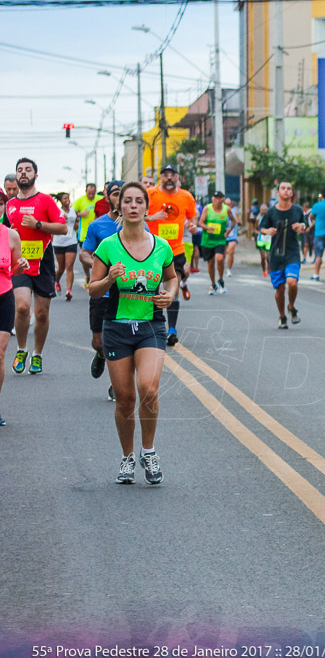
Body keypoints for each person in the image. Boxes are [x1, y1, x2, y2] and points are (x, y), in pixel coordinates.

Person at [90, 181, 177, 485]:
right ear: (120, 207)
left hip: (151, 326)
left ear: (145, 207)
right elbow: (93, 288)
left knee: (149, 389)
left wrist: (169, 294)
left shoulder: (162, 246)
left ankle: (148, 451)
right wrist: (109, 279)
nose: (133, 206)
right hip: (116, 326)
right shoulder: (108, 246)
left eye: (139, 201)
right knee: (125, 399)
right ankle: (127, 457)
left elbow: (172, 278)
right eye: (127, 201)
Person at [7, 158, 68, 376]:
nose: (23, 173)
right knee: (22, 307)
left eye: (28, 170)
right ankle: (21, 349)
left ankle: (38, 354)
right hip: (20, 263)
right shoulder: (12, 204)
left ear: (35, 175)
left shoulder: (45, 201)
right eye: (20, 170)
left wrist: (38, 225)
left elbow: (62, 228)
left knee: (42, 313)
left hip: (43, 263)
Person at [81, 181, 123, 401]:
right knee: (99, 342)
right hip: (102, 292)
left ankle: (116, 383)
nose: (120, 198)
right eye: (116, 194)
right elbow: (84, 254)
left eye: (123, 195)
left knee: (121, 341)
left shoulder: (138, 227)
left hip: (126, 294)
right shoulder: (97, 226)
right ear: (107, 197)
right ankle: (99, 354)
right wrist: (99, 266)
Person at [146, 165, 196, 347]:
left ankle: (172, 329)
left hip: (176, 250)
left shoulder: (186, 196)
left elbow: (192, 217)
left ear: (177, 177)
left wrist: (193, 226)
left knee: (171, 289)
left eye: (172, 175)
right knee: (152, 288)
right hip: (152, 249)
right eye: (165, 175)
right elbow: (133, 215)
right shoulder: (150, 194)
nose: (168, 178)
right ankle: (152, 327)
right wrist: (151, 218)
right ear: (160, 177)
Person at [259, 181, 306, 328]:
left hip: (292, 253)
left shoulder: (297, 210)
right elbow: (261, 228)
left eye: (289, 189)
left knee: (292, 282)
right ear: (278, 192)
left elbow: (305, 224)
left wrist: (301, 226)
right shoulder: (271, 211)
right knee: (279, 289)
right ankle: (282, 316)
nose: (286, 191)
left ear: (292, 193)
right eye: (283, 188)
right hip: (276, 254)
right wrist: (267, 231)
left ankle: (291, 307)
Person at [0, 219, 30, 424]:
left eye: (0, 204)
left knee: (0, 353)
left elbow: (15, 269)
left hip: (4, 295)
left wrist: (22, 265)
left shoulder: (11, 235)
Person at [198, 190, 235, 295]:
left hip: (220, 239)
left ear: (223, 199)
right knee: (210, 263)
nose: (218, 200)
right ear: (212, 199)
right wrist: (207, 227)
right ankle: (213, 283)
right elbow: (200, 222)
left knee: (219, 258)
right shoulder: (207, 208)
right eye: (216, 198)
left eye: (220, 198)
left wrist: (229, 230)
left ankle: (220, 279)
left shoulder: (227, 209)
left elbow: (234, 221)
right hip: (208, 240)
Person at [51, 192, 79, 300]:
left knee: (69, 266)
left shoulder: (73, 211)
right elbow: (54, 223)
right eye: (65, 198)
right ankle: (57, 281)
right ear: (61, 200)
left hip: (71, 240)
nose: (67, 200)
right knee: (61, 268)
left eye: (68, 198)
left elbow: (76, 225)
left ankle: (69, 291)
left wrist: (76, 224)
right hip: (59, 241)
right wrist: (63, 219)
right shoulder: (57, 211)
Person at [74, 182, 103, 283]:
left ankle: (97, 275)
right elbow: (71, 212)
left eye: (93, 193)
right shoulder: (80, 201)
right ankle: (87, 275)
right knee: (85, 257)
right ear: (86, 191)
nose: (91, 195)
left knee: (98, 256)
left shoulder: (99, 199)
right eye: (89, 193)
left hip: (98, 234)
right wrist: (80, 213)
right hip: (83, 234)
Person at [224, 197, 238, 277]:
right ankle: (222, 267)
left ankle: (229, 269)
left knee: (231, 251)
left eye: (229, 204)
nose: (228, 206)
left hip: (232, 234)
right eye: (226, 204)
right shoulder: (221, 212)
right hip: (224, 234)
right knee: (223, 254)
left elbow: (238, 221)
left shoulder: (234, 212)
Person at [256, 203, 271, 277]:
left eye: (265, 210)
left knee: (268, 257)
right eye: (262, 210)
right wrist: (256, 232)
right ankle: (263, 270)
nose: (263, 211)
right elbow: (256, 227)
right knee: (262, 257)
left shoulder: (270, 218)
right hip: (261, 239)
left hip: (268, 239)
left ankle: (269, 268)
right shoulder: (258, 218)